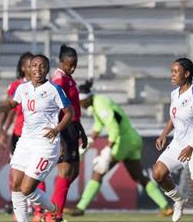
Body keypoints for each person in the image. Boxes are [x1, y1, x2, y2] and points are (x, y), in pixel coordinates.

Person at [64, 79, 173, 217]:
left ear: (86, 99)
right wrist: (91, 139)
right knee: (139, 176)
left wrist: (109, 149)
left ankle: (80, 208)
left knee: (98, 171)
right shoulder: (97, 102)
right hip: (133, 139)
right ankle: (165, 206)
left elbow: (114, 128)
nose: (79, 105)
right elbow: (99, 125)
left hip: (122, 142)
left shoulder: (100, 105)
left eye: (80, 102)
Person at [0, 54, 74, 222]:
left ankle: (51, 208)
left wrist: (57, 129)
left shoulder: (54, 89)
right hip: (25, 142)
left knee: (27, 189)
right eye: (34, 65)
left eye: (42, 66)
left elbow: (70, 113)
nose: (37, 69)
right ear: (29, 68)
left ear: (47, 69)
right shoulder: (23, 88)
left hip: (45, 144)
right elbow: (12, 103)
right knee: (16, 186)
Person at [152, 58, 193, 222]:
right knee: (158, 174)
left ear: (187, 74)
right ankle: (179, 199)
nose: (172, 75)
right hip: (178, 143)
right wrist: (164, 134)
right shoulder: (175, 93)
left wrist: (190, 147)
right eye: (172, 72)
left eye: (176, 72)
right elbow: (174, 116)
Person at [45, 44, 88, 222]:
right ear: (61, 62)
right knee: (65, 172)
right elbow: (53, 107)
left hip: (74, 128)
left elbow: (75, 110)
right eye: (69, 64)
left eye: (75, 64)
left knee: (73, 172)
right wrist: (59, 135)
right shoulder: (59, 79)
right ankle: (53, 215)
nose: (73, 67)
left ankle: (53, 207)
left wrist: (82, 131)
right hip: (64, 128)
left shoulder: (68, 78)